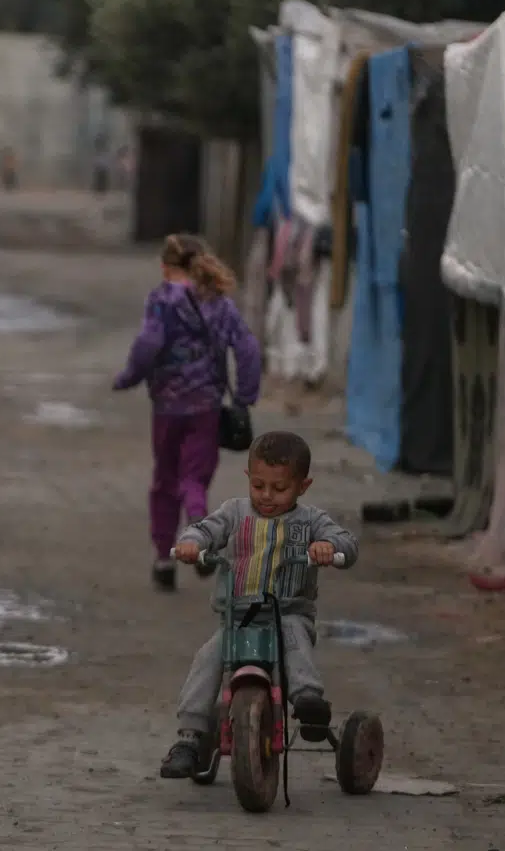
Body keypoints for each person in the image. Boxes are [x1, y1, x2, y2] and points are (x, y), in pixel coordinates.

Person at [161, 431, 358, 779]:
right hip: (238, 617)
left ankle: (307, 701)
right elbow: (205, 529)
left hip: (288, 612)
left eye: (279, 489)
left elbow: (346, 542)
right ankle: (189, 738)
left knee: (294, 638)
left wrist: (328, 546)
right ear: (248, 479)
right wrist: (191, 543)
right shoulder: (234, 513)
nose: (267, 496)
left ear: (302, 486)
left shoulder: (311, 520)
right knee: (208, 658)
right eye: (259, 486)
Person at [113, 234, 261, 591]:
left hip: (167, 408)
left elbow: (148, 344)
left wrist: (129, 377)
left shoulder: (161, 301)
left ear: (166, 267)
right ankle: (198, 527)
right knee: (194, 478)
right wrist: (244, 395)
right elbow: (248, 348)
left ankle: (164, 560)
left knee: (164, 480)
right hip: (206, 408)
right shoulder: (220, 304)